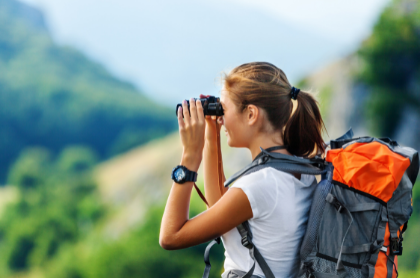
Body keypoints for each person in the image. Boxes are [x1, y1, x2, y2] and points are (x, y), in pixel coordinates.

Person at [160, 62, 327, 278]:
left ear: (251, 114)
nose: (222, 116)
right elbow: (220, 208)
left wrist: (190, 157)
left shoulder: (259, 186)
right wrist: (212, 134)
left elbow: (170, 236)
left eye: (224, 108)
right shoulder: (300, 169)